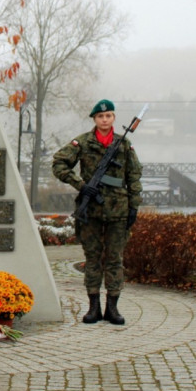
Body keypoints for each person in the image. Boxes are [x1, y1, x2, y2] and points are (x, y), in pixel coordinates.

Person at [52, 99, 142, 326]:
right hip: (90, 211)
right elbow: (59, 164)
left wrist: (134, 206)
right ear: (94, 119)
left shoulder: (124, 145)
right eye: (101, 116)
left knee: (114, 260)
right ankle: (94, 308)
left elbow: (134, 177)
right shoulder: (82, 142)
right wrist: (81, 185)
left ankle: (113, 308)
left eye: (109, 116)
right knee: (92, 259)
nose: (105, 120)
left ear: (113, 118)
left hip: (117, 212)